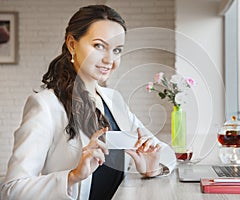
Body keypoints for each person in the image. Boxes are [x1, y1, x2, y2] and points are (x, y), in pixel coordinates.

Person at [1, 5, 176, 200]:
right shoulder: (46, 105)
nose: (110, 59)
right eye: (99, 46)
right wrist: (73, 176)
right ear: (72, 44)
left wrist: (152, 168)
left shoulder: (113, 100)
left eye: (117, 50)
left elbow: (165, 153)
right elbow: (12, 190)